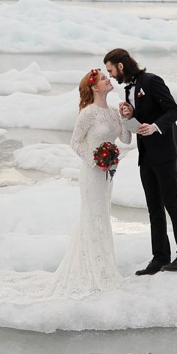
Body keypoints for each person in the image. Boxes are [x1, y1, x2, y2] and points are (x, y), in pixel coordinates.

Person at [103, 47, 177, 274]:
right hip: (146, 155)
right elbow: (142, 117)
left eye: (111, 70)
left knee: (171, 202)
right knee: (154, 207)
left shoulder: (152, 81)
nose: (111, 75)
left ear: (120, 66)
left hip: (165, 151)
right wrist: (130, 114)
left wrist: (155, 127)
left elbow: (174, 111)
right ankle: (160, 258)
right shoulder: (129, 90)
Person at [48, 67, 134, 298]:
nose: (109, 80)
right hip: (93, 172)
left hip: (109, 172)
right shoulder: (88, 112)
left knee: (103, 216)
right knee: (93, 215)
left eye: (108, 77)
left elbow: (125, 139)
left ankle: (104, 267)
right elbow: (75, 142)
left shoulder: (115, 111)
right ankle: (92, 271)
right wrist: (96, 160)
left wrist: (126, 118)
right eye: (105, 78)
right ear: (95, 87)